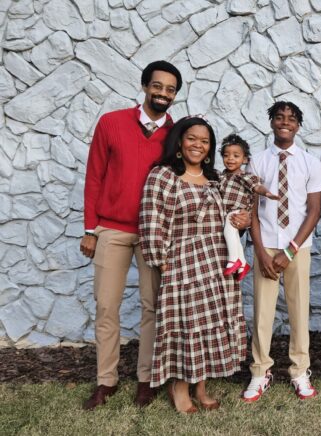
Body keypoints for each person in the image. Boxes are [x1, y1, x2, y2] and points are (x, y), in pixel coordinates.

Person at [80, 60, 182, 410]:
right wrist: (90, 229)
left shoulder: (177, 134)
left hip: (155, 233)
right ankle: (106, 381)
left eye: (170, 89)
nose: (163, 93)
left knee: (152, 307)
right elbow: (94, 175)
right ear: (144, 86)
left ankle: (146, 379)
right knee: (107, 305)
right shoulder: (111, 122)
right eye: (158, 86)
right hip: (112, 228)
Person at [139, 116, 248, 414]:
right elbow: (151, 223)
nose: (198, 145)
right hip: (181, 264)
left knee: (210, 325)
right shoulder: (162, 176)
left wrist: (243, 220)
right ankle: (180, 387)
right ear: (179, 141)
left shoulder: (215, 178)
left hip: (215, 262)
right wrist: (163, 265)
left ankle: (201, 386)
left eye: (205, 141)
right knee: (186, 327)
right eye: (192, 138)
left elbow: (233, 215)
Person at [243, 102, 321, 402]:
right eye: (279, 117)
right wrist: (262, 253)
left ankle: (299, 370)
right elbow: (251, 211)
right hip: (265, 245)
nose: (285, 122)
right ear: (271, 122)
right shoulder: (257, 162)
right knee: (262, 313)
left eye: (291, 119)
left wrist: (290, 250)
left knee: (298, 310)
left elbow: (314, 212)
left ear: (298, 126)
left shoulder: (310, 162)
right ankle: (259, 370)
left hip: (297, 247)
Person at [218, 134, 278, 281]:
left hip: (238, 210)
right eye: (226, 155)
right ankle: (243, 263)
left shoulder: (245, 177)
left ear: (245, 159)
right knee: (233, 237)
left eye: (236, 155)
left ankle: (234, 260)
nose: (230, 159)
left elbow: (257, 187)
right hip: (226, 212)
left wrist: (267, 193)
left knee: (229, 230)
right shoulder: (220, 176)